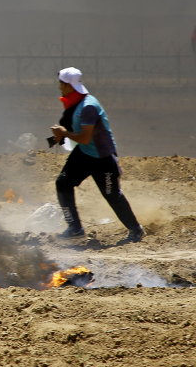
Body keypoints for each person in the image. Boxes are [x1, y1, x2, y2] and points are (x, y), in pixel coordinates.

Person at [51, 67, 144, 243]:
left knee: (112, 195)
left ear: (69, 86)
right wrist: (58, 136)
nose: (59, 88)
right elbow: (75, 133)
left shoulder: (88, 107)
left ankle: (136, 230)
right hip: (85, 154)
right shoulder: (76, 104)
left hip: (102, 158)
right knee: (62, 183)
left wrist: (63, 133)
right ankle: (75, 228)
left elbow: (85, 138)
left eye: (61, 84)